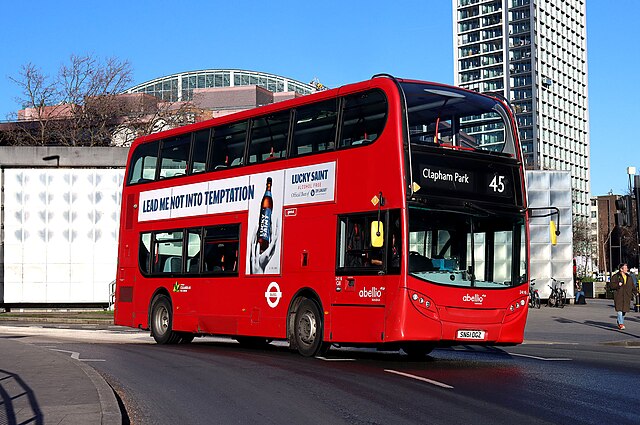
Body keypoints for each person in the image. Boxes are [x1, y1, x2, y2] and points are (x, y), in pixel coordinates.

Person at [607, 263, 638, 330]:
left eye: (627, 268)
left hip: (627, 296)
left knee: (624, 310)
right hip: (618, 296)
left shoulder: (629, 277)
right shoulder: (615, 276)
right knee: (619, 310)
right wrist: (618, 284)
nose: (627, 269)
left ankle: (619, 321)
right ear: (621, 269)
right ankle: (621, 324)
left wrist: (636, 293)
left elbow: (632, 286)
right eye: (625, 268)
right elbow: (611, 286)